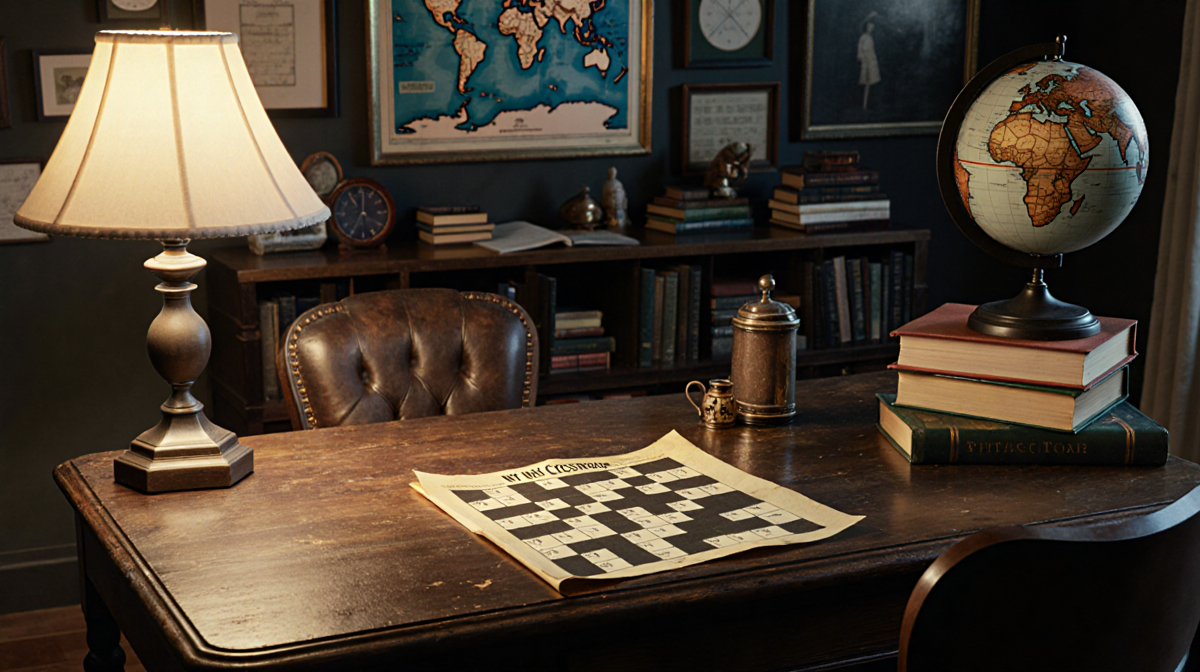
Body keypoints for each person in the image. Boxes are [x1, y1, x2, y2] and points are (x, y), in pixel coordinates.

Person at [857, 12, 881, 112]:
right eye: (869, 26)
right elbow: (859, 51)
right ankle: (864, 104)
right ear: (866, 26)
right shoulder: (862, 38)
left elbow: (872, 51)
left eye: (872, 27)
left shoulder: (871, 38)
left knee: (872, 84)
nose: (870, 28)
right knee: (865, 84)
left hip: (872, 63)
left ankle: (870, 104)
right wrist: (863, 58)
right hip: (866, 63)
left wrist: (873, 60)